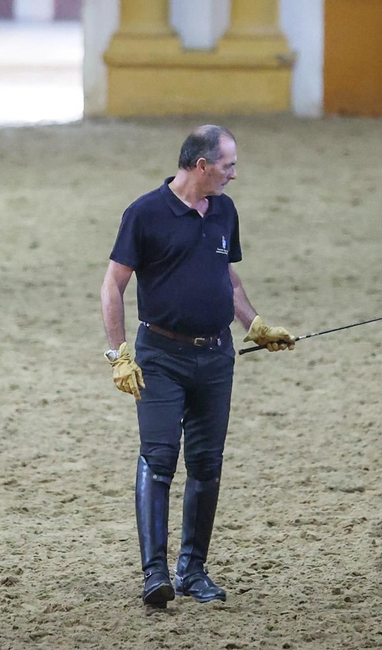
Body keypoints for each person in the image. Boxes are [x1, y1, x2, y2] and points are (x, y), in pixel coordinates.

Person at [100, 125, 295, 608]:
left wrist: (255, 324)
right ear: (201, 165)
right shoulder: (144, 213)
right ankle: (154, 574)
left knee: (207, 464)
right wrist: (119, 352)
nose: (234, 174)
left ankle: (192, 570)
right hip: (160, 357)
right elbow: (113, 286)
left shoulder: (224, 210)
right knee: (159, 459)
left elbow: (226, 276)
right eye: (228, 165)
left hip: (216, 357)